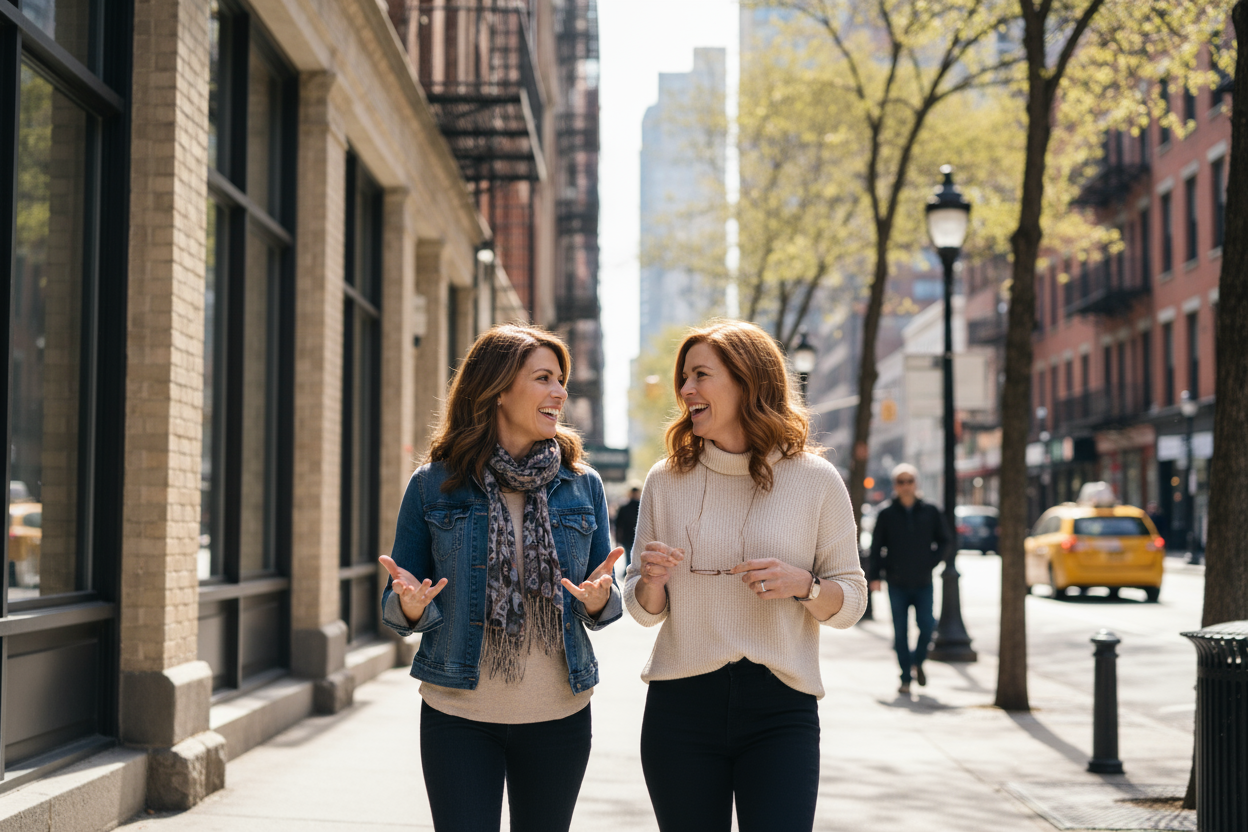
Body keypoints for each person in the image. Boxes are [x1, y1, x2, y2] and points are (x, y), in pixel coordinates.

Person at [624, 320, 867, 832]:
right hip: (681, 706)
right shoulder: (666, 480)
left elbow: (852, 601)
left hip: (780, 708)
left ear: (746, 382)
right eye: (684, 378)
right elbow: (643, 612)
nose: (685, 390)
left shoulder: (816, 480)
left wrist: (804, 585)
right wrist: (651, 580)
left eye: (700, 375)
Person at [379, 324, 624, 832]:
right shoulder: (433, 485)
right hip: (458, 716)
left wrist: (599, 600)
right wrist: (410, 605)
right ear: (496, 391)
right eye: (543, 378)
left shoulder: (583, 485)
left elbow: (601, 603)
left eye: (561, 379)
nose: (560, 392)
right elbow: (398, 601)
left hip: (559, 715)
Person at [867, 463, 950, 695]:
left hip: (924, 582)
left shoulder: (931, 511)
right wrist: (875, 577)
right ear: (895, 486)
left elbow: (945, 540)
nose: (905, 486)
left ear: (916, 484)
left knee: (927, 626)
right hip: (896, 583)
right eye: (900, 482)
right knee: (900, 632)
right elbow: (876, 548)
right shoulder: (885, 514)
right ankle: (905, 677)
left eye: (909, 481)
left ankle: (918, 661)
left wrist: (931, 563)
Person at [614, 486, 641, 566]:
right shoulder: (642, 506)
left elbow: (618, 524)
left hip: (627, 536)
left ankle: (629, 571)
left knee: (629, 557)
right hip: (637, 536)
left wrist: (617, 539)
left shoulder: (624, 507)